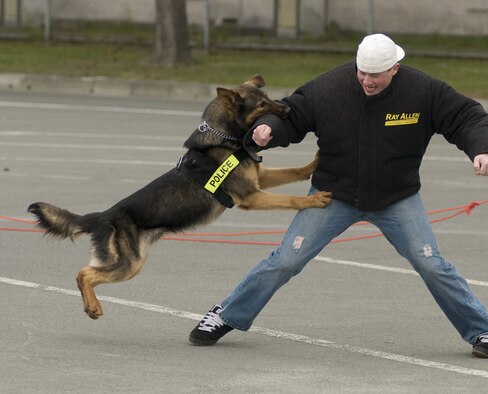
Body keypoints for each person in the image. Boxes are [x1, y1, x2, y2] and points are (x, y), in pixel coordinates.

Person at [188, 33, 488, 357]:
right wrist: (269, 130)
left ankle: (481, 330)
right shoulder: (329, 88)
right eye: (362, 72)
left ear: (395, 69)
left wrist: (481, 149)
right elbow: (292, 113)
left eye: (376, 75)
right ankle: (226, 313)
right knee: (286, 260)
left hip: (396, 197)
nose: (367, 80)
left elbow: (467, 117)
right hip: (334, 194)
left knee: (432, 265)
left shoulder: (424, 91)